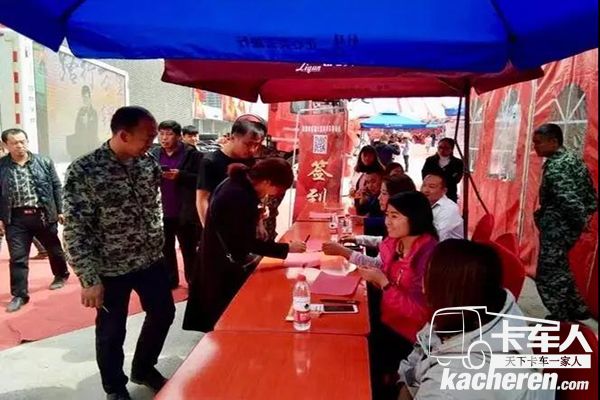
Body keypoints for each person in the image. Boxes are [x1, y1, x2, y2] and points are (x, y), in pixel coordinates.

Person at [63, 106, 175, 400]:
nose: (153, 142)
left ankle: (143, 368)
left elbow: (152, 207)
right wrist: (89, 279)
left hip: (150, 260)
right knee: (112, 331)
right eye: (147, 137)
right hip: (110, 268)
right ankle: (114, 387)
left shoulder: (147, 163)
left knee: (164, 313)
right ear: (124, 135)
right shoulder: (84, 170)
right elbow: (75, 229)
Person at [398, 239, 554, 400]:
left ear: (448, 294)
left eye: (429, 280)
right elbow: (419, 354)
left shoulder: (448, 388)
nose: (423, 288)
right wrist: (408, 382)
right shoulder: (487, 313)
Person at [183, 158, 306, 332]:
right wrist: (287, 249)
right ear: (267, 181)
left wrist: (256, 221)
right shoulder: (238, 195)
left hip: (219, 255)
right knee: (223, 317)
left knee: (224, 314)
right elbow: (245, 242)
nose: (275, 195)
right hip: (221, 264)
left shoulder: (239, 182)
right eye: (278, 190)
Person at [358, 192, 438, 399]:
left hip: (410, 337)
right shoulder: (396, 243)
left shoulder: (428, 256)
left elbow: (421, 313)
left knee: (363, 364)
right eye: (387, 215)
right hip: (388, 319)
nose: (387, 222)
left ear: (415, 217)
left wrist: (384, 284)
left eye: (394, 216)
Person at [0, 128, 70, 313]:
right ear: (6, 145)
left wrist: (60, 210)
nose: (19, 146)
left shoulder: (43, 161)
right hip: (15, 218)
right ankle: (19, 294)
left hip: (42, 214)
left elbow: (56, 186)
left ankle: (61, 274)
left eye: (22, 141)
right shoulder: (2, 166)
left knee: (54, 249)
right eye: (14, 143)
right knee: (17, 257)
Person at [532, 123, 597, 322]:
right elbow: (591, 197)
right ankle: (576, 308)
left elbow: (569, 199)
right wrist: (583, 219)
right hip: (565, 226)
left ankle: (560, 316)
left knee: (548, 274)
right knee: (560, 268)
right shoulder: (572, 159)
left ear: (553, 141)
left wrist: (580, 221)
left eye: (538, 142)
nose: (535, 147)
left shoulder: (557, 166)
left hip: (558, 228)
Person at [322, 174, 417, 268]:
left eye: (384, 193)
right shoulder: (398, 227)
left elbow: (378, 264)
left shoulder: (402, 230)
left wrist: (343, 252)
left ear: (398, 196)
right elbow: (385, 241)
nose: (379, 197)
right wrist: (357, 239)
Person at [149, 120, 201, 287]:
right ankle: (171, 280)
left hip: (185, 211)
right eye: (161, 134)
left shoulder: (192, 154)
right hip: (163, 210)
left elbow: (201, 180)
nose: (164, 138)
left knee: (189, 250)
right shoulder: (154, 154)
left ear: (179, 136)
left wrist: (180, 175)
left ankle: (194, 282)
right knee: (166, 249)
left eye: (169, 134)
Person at [196, 114, 266, 227]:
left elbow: (255, 195)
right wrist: (209, 229)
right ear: (232, 138)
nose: (253, 149)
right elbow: (202, 200)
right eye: (248, 144)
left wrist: (260, 222)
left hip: (244, 225)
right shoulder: (210, 162)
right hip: (219, 223)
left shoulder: (251, 162)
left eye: (257, 145)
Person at [420, 173, 464, 241]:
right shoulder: (421, 202)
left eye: (431, 187)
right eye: (424, 185)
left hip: (447, 246)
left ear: (444, 191)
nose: (425, 190)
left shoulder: (449, 208)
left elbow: (437, 237)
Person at [421, 138, 464, 202]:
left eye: (446, 148)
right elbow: (425, 176)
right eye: (440, 147)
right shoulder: (430, 160)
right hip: (432, 194)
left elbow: (457, 179)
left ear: (451, 149)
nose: (442, 150)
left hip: (450, 194)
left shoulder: (458, 163)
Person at [68, 85, 99, 159]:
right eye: (84, 98)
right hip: (81, 144)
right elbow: (76, 127)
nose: (85, 100)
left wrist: (87, 123)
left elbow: (95, 130)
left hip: (90, 144)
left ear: (90, 98)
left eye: (86, 97)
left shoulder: (93, 112)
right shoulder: (81, 111)